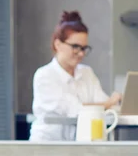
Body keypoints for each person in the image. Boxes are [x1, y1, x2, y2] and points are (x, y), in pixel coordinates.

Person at [29, 11, 122, 142]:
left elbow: (105, 106)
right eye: (75, 47)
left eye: (84, 48)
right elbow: (75, 110)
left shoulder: (86, 73)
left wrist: (113, 103)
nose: (80, 54)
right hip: (47, 147)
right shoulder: (45, 76)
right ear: (58, 44)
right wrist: (109, 102)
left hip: (79, 147)